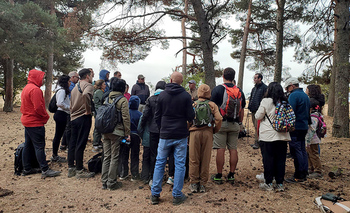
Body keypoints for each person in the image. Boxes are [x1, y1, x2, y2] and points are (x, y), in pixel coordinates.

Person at [150, 72, 195, 206]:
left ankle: (155, 194)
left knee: (160, 163)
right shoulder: (186, 96)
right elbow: (191, 116)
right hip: (180, 134)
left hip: (165, 134)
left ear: (170, 80)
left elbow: (157, 116)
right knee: (180, 164)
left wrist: (161, 129)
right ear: (181, 82)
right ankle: (176, 195)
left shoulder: (162, 95)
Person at [20, 69, 61, 178]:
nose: (43, 80)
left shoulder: (26, 88)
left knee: (28, 145)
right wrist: (45, 116)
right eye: (42, 78)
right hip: (35, 122)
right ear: (36, 78)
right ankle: (45, 169)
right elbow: (38, 107)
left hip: (27, 121)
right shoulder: (35, 90)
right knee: (39, 146)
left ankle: (27, 168)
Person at [210, 67, 246, 184]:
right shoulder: (239, 91)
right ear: (233, 77)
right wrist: (240, 123)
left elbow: (212, 107)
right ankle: (231, 175)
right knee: (233, 149)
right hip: (235, 123)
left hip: (221, 123)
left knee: (220, 149)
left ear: (223, 76)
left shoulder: (218, 90)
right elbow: (241, 109)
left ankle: (219, 175)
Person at [255, 82, 291, 192]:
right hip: (283, 135)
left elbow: (258, 116)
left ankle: (269, 183)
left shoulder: (266, 101)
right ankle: (280, 183)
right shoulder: (285, 102)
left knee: (268, 160)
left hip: (268, 136)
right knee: (280, 160)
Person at [188, 84, 222, 193]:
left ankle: (194, 183)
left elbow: (188, 120)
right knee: (205, 158)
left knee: (194, 158)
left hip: (194, 133)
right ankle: (203, 184)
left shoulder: (193, 104)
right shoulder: (212, 105)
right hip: (208, 132)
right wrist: (214, 130)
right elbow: (219, 118)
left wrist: (188, 130)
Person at [101, 79, 130, 190]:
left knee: (106, 156)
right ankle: (111, 182)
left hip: (105, 131)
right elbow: (126, 118)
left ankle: (104, 181)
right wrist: (127, 133)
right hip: (116, 132)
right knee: (114, 157)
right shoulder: (122, 100)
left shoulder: (107, 98)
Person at [68, 68, 95, 179]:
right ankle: (79, 170)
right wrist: (88, 110)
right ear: (87, 76)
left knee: (73, 143)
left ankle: (71, 168)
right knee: (81, 143)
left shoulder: (75, 87)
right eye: (91, 75)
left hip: (73, 118)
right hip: (83, 117)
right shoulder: (88, 86)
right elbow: (85, 95)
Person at [139, 81, 166, 185]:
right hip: (164, 130)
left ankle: (152, 176)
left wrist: (142, 127)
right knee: (163, 153)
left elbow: (145, 115)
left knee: (153, 154)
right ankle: (163, 175)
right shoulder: (166, 99)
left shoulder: (150, 99)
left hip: (153, 130)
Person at [284, 77, 310, 183]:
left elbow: (290, 112)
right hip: (304, 126)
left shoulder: (293, 95)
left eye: (287, 88)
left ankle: (299, 174)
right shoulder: (305, 95)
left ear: (292, 85)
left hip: (296, 127)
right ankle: (304, 171)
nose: (286, 90)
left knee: (296, 150)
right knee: (302, 150)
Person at [119, 95, 142, 181]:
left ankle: (123, 173)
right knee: (135, 155)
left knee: (124, 154)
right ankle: (134, 174)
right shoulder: (140, 114)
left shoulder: (125, 112)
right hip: (135, 136)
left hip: (125, 136)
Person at [305, 85, 324, 179]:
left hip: (312, 137)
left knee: (313, 153)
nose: (306, 91)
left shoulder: (313, 115)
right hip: (313, 136)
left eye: (307, 89)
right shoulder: (318, 105)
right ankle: (310, 168)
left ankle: (318, 170)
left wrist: (308, 139)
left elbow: (312, 128)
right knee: (309, 153)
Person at [51, 75, 70, 162]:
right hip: (61, 114)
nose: (70, 83)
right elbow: (60, 103)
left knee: (58, 135)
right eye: (69, 81)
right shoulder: (62, 91)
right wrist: (69, 108)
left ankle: (55, 154)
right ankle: (54, 155)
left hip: (61, 114)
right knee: (58, 135)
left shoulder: (61, 90)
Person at [60, 71, 80, 151]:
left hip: (69, 108)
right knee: (69, 128)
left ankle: (64, 144)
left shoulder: (72, 85)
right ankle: (68, 145)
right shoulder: (71, 86)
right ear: (72, 77)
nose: (78, 79)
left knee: (67, 127)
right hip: (70, 109)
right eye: (77, 77)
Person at [248, 73, 268, 149]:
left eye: (256, 78)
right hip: (253, 110)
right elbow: (251, 98)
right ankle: (257, 141)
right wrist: (250, 105)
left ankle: (258, 142)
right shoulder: (254, 88)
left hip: (259, 111)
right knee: (255, 126)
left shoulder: (264, 88)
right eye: (254, 78)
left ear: (260, 78)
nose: (254, 79)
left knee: (258, 127)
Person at [92, 79, 106, 153]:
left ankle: (97, 142)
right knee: (98, 127)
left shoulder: (97, 91)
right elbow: (103, 100)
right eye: (104, 84)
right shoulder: (99, 92)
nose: (105, 85)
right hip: (99, 111)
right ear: (100, 85)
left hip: (98, 111)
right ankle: (95, 144)